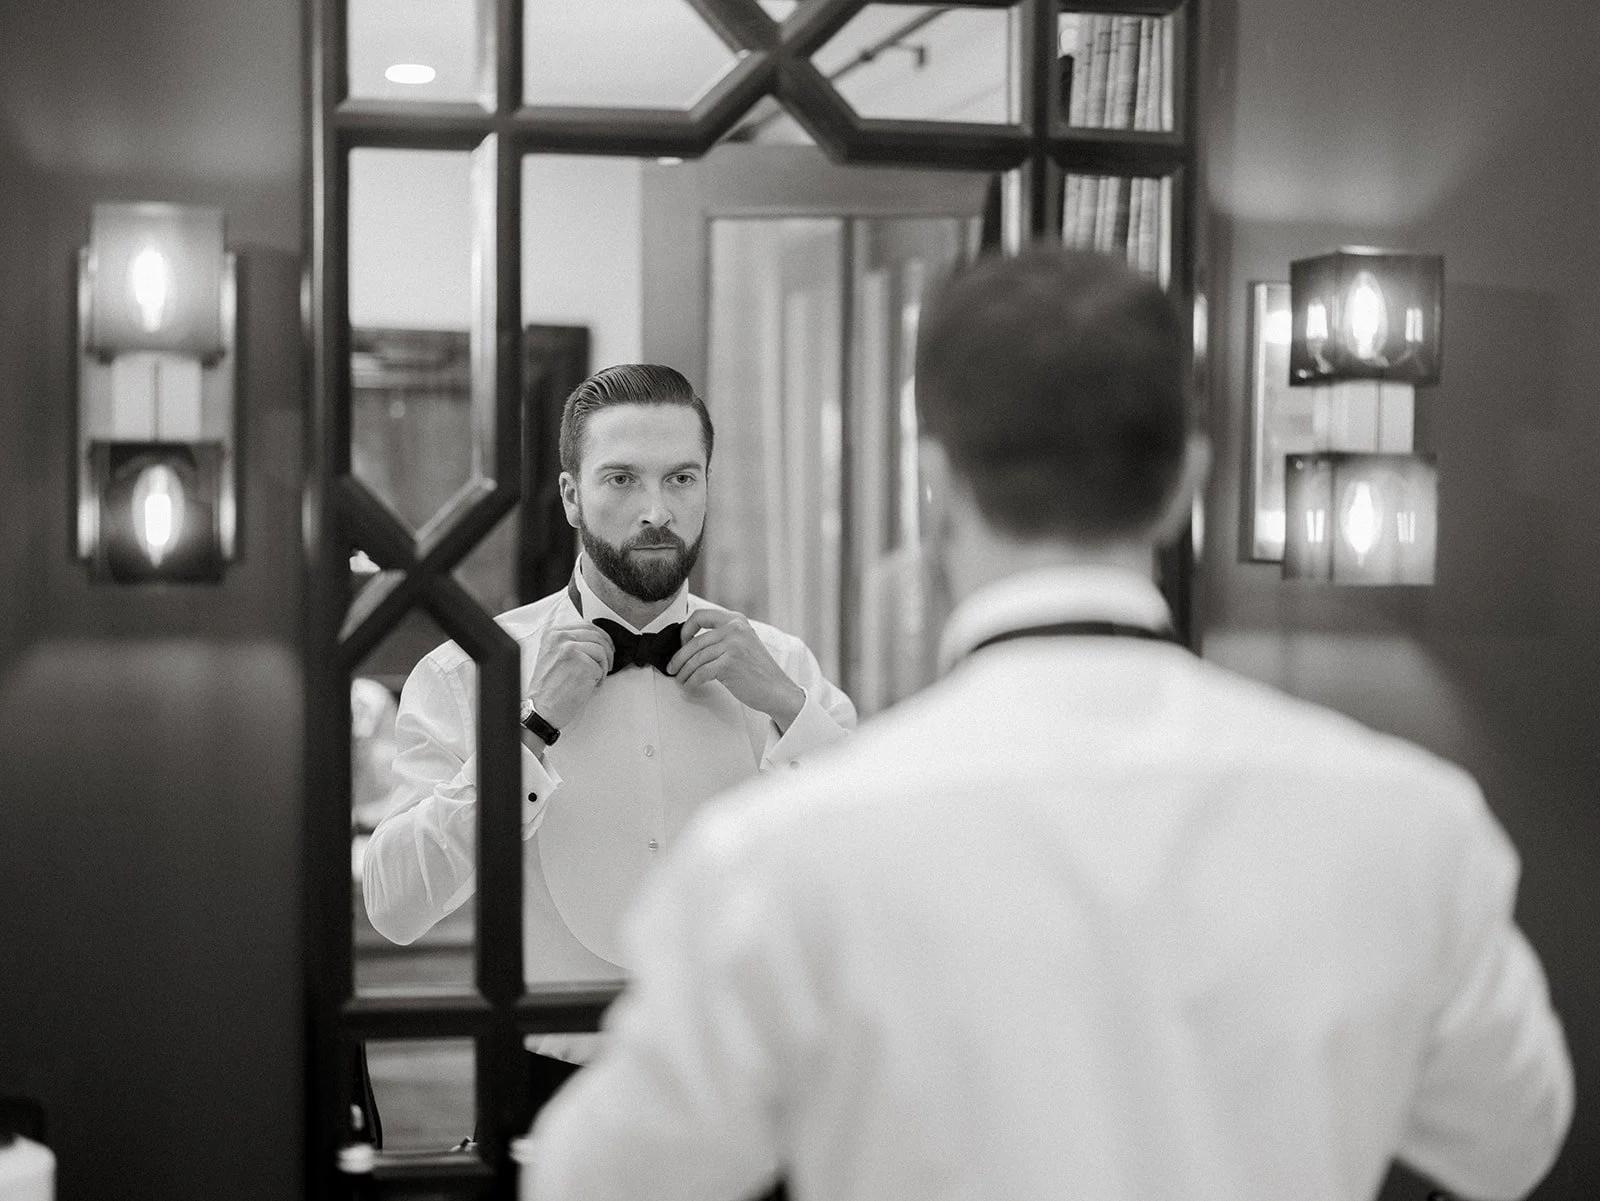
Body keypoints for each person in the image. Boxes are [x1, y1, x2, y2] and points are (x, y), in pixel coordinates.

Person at [518, 248, 1573, 1201]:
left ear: (935, 481)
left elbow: (596, 1181)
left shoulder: (780, 857)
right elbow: (1511, 1143)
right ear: (1188, 483)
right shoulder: (1408, 822)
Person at [363, 362, 856, 1108]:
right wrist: (530, 731)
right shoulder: (468, 672)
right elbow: (394, 906)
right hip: (547, 1087)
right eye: (622, 479)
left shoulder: (781, 666)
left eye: (681, 479)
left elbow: (875, 855)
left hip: (754, 1087)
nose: (656, 510)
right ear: (571, 496)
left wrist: (788, 707)